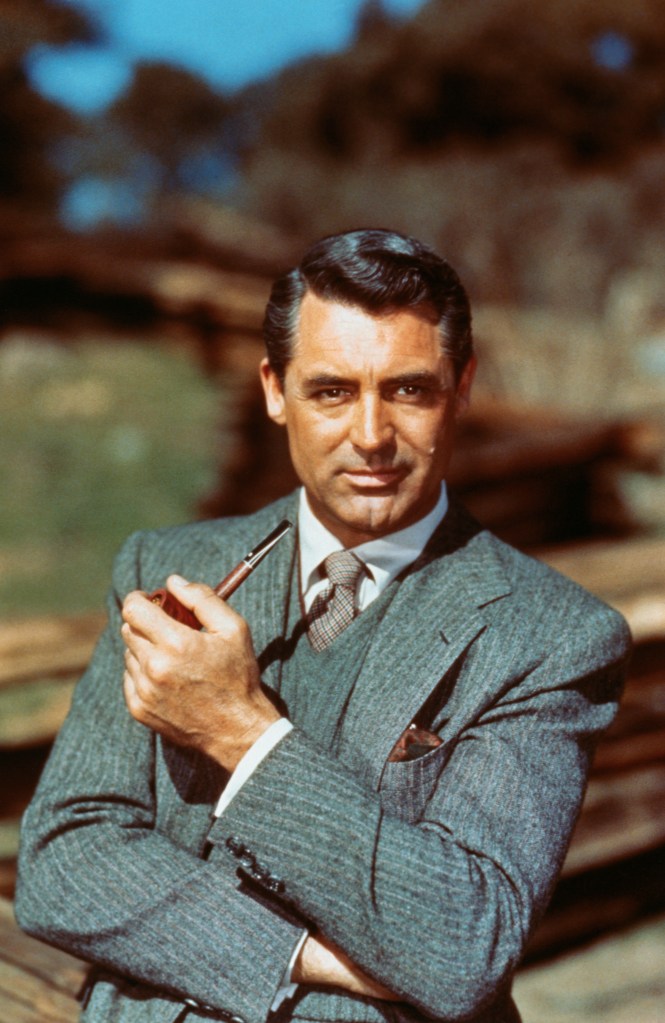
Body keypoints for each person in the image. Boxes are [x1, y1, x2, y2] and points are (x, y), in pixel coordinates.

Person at [17, 229, 630, 1023]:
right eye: (331, 391)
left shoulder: (550, 634)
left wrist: (241, 732)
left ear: (462, 385)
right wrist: (303, 955)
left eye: (407, 390)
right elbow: (61, 860)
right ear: (274, 390)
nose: (370, 435)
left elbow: (461, 945)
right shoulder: (163, 568)